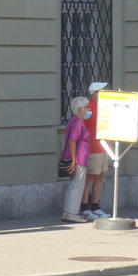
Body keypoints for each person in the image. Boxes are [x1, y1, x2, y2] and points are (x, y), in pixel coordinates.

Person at [80, 81, 110, 220]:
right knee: (90, 178)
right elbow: (82, 128)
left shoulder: (104, 106)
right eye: (102, 91)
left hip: (103, 146)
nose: (105, 93)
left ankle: (95, 206)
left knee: (100, 177)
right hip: (92, 148)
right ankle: (84, 207)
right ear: (94, 93)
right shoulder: (89, 108)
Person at [61, 96, 92, 223]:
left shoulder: (74, 121)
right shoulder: (78, 122)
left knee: (73, 185)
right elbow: (72, 141)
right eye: (87, 108)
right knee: (77, 186)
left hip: (77, 158)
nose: (89, 110)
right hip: (79, 158)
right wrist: (74, 160)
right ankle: (72, 213)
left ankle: (68, 212)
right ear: (79, 110)